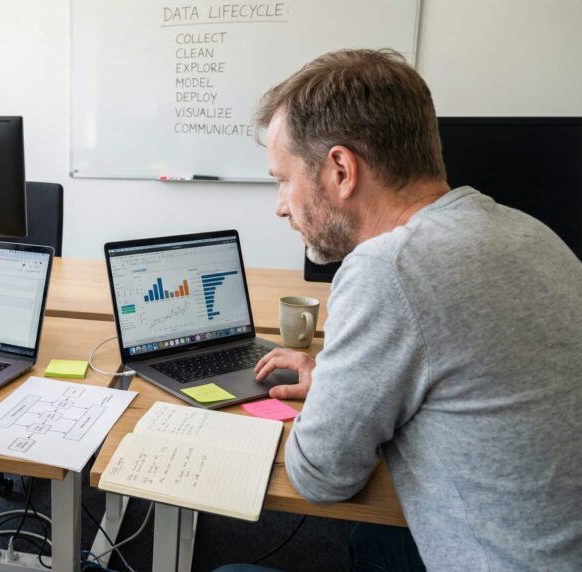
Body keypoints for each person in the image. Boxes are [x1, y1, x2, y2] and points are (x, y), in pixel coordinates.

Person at [240, 49, 581, 570]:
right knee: (373, 541)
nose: (281, 204)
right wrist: (340, 379)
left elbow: (320, 478)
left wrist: (336, 397)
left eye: (283, 179)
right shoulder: (531, 231)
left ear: (340, 169)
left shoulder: (389, 269)